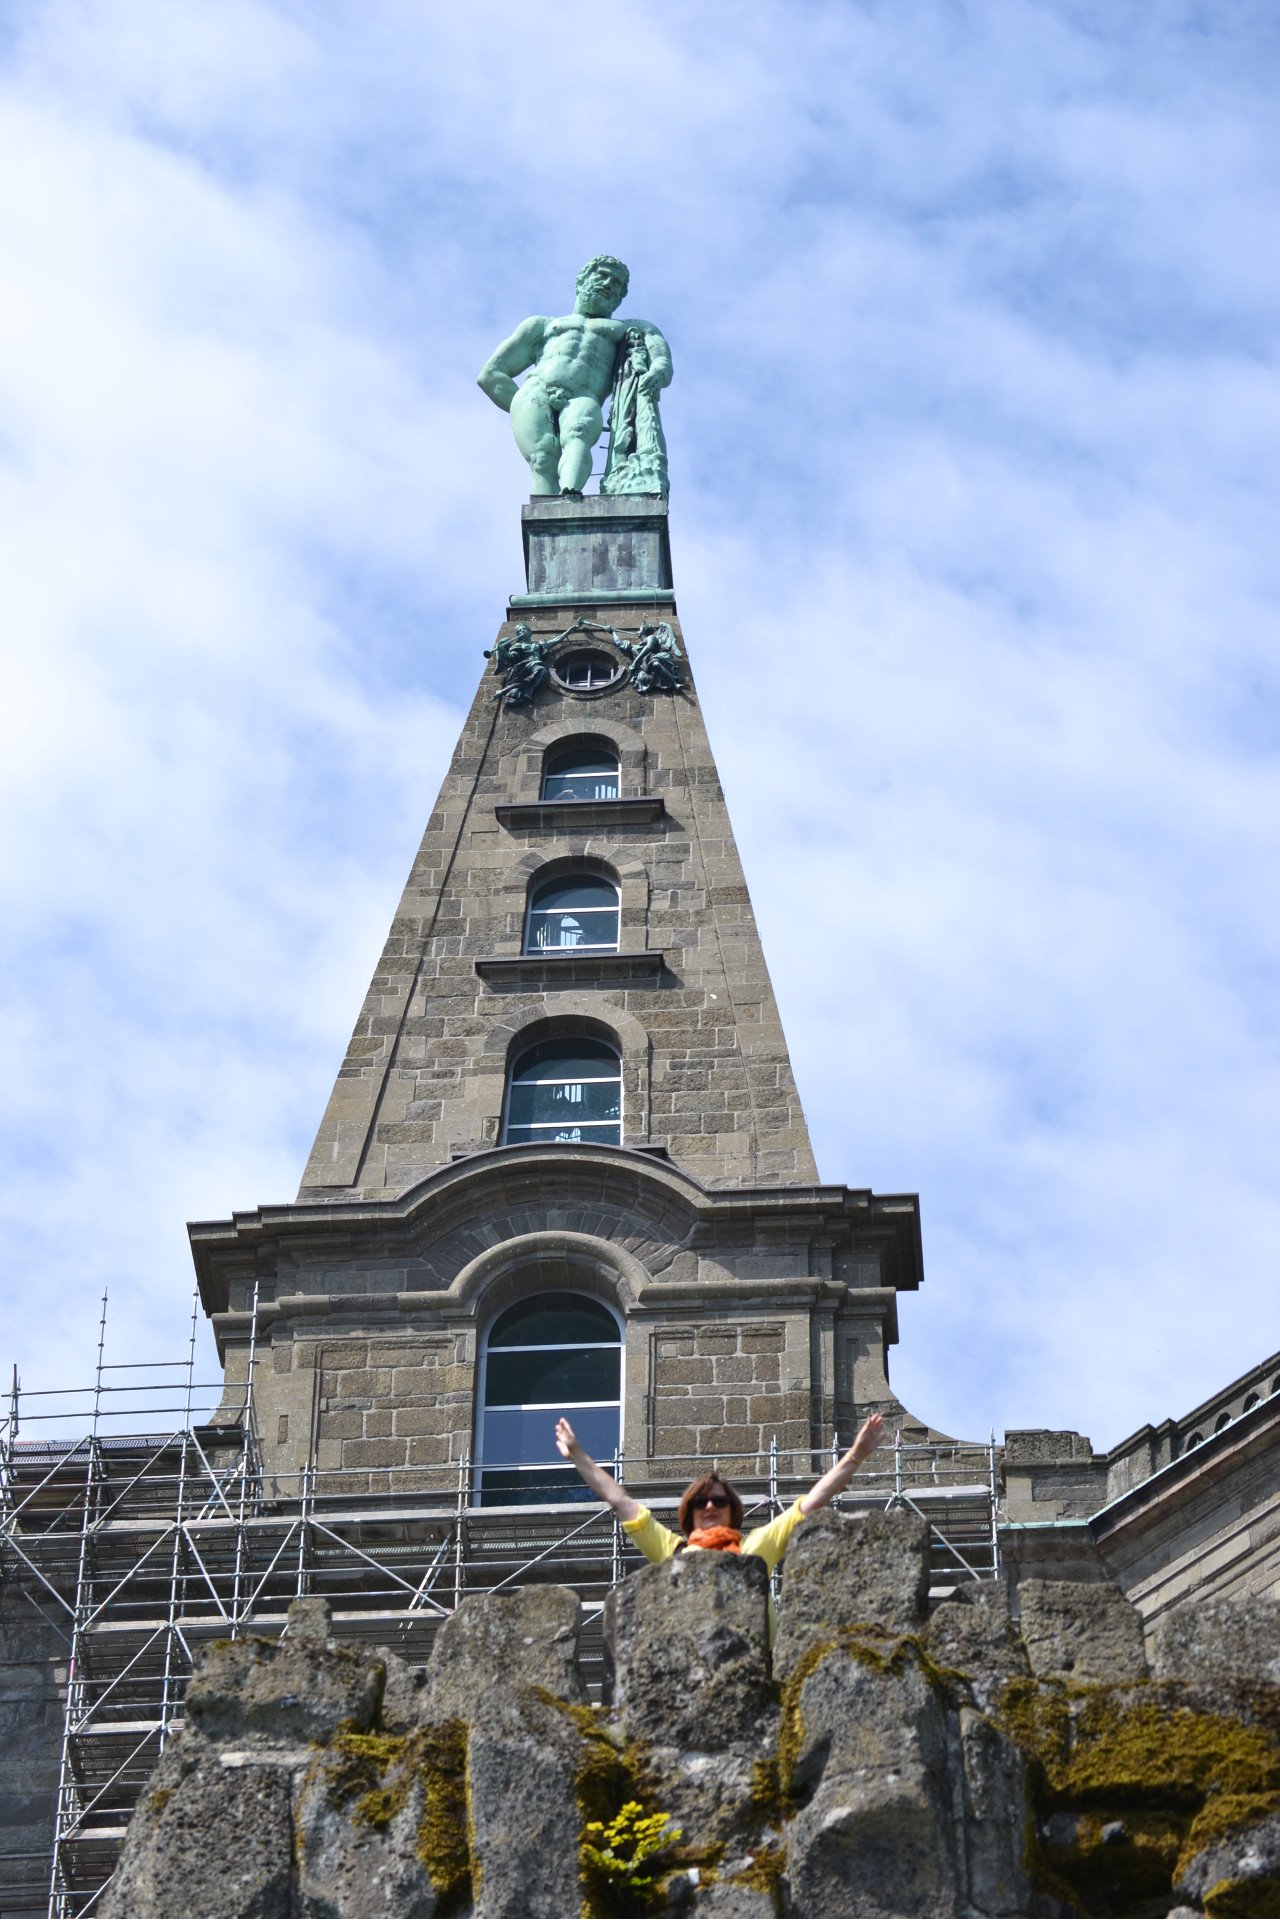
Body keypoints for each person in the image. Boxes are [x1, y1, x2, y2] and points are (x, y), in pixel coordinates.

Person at [553, 1412, 886, 1582]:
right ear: (689, 1512)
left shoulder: (752, 1549)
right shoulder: (674, 1552)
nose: (709, 1506)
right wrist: (578, 1456)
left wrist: (855, 1455)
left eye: (718, 1501)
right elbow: (621, 1501)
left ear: (733, 1511)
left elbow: (812, 1502)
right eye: (700, 1502)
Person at [477, 256, 672, 497]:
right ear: (581, 282)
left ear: (621, 296)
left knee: (579, 433)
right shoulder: (543, 325)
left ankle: (570, 497)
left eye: (617, 283)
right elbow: (491, 374)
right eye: (602, 275)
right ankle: (547, 511)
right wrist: (527, 407)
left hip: (584, 397)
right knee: (543, 458)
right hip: (536, 392)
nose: (609, 283)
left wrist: (658, 372)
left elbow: (660, 356)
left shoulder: (629, 329)